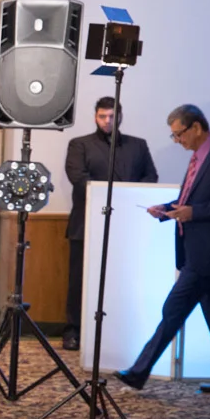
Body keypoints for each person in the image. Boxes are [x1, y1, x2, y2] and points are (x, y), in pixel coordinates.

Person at [116, 105, 210, 392]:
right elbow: (192, 199)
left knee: (173, 309)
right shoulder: (200, 156)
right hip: (197, 252)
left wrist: (194, 213)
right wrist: (166, 209)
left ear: (196, 127)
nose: (177, 141)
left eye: (179, 134)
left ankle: (139, 371)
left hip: (209, 254)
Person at [62, 97, 159, 350]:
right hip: (86, 224)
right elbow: (78, 179)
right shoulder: (80, 145)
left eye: (112, 116)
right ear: (95, 117)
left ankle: (119, 329)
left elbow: (150, 177)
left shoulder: (138, 146)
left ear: (120, 117)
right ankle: (74, 329)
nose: (107, 121)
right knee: (79, 279)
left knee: (122, 278)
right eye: (102, 116)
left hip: (127, 226)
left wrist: (126, 198)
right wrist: (118, 194)